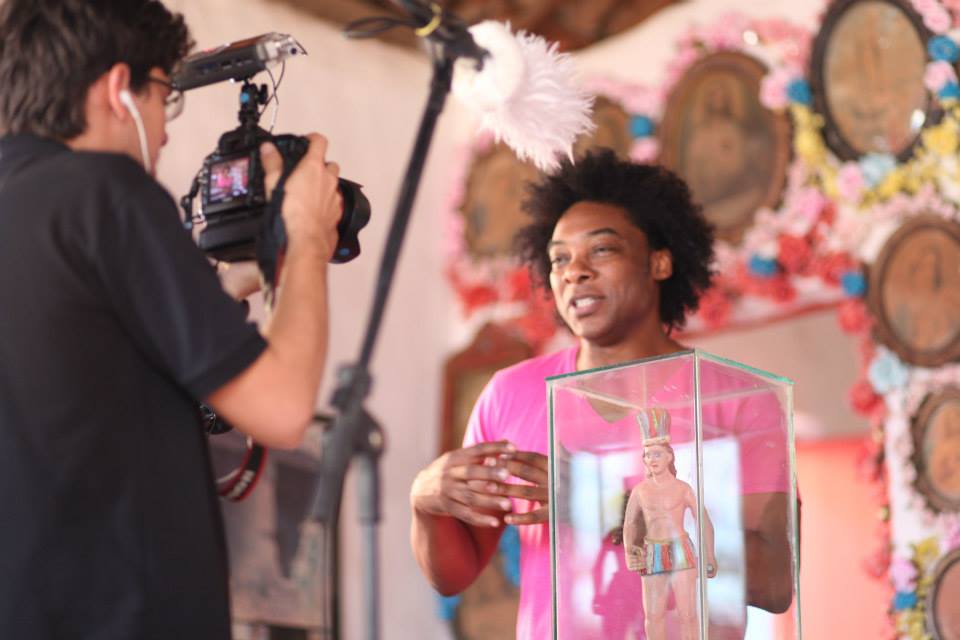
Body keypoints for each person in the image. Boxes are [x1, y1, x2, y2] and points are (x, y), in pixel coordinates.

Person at [0, 1, 342, 638]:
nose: (162, 132)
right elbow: (283, 406)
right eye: (164, 97)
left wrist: (220, 294)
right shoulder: (104, 191)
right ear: (116, 88)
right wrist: (305, 235)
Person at [410, 149, 795, 638]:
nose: (574, 271)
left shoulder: (741, 399)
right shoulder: (511, 394)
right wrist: (425, 502)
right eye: (559, 259)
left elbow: (774, 583)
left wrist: (606, 505)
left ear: (659, 262)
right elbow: (454, 576)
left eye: (602, 250)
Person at [623, 409, 717, 640]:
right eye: (648, 455)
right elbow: (630, 524)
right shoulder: (640, 491)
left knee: (688, 614)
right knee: (653, 615)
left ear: (669, 457)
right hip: (652, 552)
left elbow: (703, 519)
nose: (652, 460)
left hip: (681, 550)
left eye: (657, 454)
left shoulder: (683, 489)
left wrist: (709, 554)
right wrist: (628, 551)